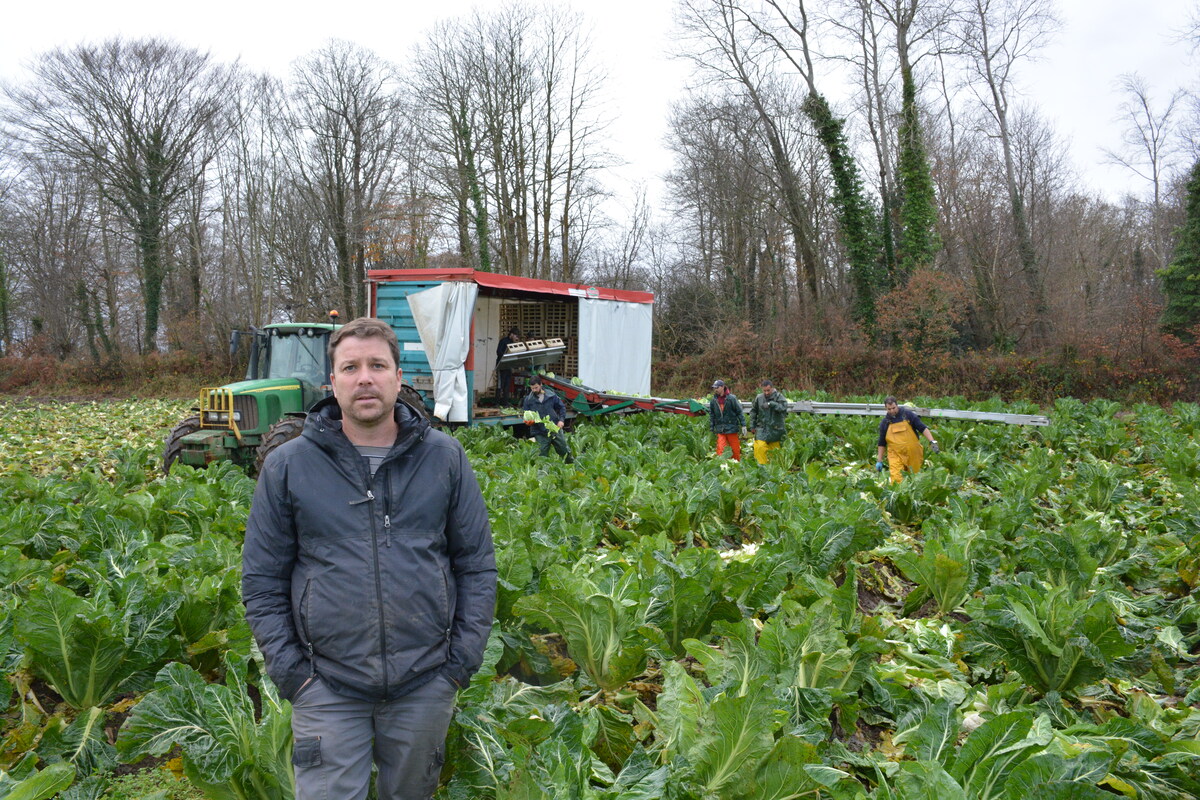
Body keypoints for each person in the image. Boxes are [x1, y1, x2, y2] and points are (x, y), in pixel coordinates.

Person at [242, 317, 497, 800]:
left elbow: (477, 566)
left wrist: (458, 665)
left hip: (425, 684)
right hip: (327, 687)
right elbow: (262, 582)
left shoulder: (445, 458)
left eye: (377, 365)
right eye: (351, 367)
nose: (365, 377)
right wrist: (296, 676)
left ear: (399, 378)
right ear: (331, 382)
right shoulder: (288, 465)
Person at [875, 395, 939, 484]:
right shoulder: (885, 422)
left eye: (893, 408)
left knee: (915, 479)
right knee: (896, 480)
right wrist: (879, 460)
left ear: (897, 405)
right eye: (889, 409)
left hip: (913, 453)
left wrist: (932, 441)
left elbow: (922, 428)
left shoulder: (908, 415)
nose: (892, 411)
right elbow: (882, 443)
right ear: (886, 408)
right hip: (895, 454)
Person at [522, 374, 573, 462]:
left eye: (536, 387)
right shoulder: (528, 400)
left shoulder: (551, 396)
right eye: (532, 388)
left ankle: (572, 467)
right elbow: (526, 414)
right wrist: (528, 422)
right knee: (542, 456)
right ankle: (543, 473)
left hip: (554, 428)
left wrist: (561, 420)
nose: (534, 390)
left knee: (565, 451)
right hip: (540, 431)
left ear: (541, 384)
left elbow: (562, 408)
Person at [749, 379, 788, 464]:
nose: (766, 393)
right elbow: (753, 412)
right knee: (759, 447)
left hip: (775, 429)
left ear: (772, 388)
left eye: (768, 390)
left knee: (774, 452)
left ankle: (772, 470)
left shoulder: (779, 397)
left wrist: (772, 404)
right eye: (764, 391)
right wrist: (752, 426)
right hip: (762, 428)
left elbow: (783, 408)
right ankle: (761, 467)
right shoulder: (759, 398)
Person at [708, 379, 745, 461]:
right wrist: (712, 427)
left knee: (735, 449)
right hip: (720, 428)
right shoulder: (714, 400)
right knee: (720, 449)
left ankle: (736, 465)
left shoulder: (732, 398)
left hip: (731, 427)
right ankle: (721, 466)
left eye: (717, 387)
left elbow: (739, 412)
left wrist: (743, 425)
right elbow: (712, 415)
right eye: (714, 388)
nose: (715, 389)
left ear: (722, 387)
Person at [495, 327, 520, 404]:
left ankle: (505, 402)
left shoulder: (513, 343)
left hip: (508, 367)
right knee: (500, 385)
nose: (516, 338)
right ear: (511, 334)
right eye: (516, 336)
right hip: (501, 366)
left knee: (507, 385)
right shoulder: (503, 341)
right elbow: (498, 352)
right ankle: (497, 402)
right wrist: (505, 356)